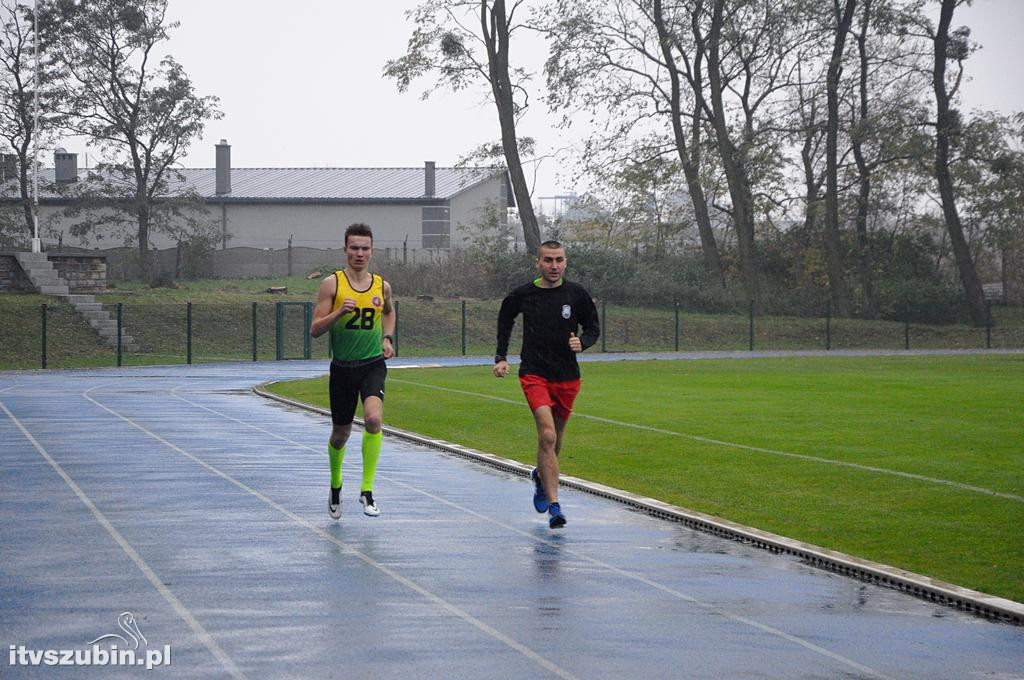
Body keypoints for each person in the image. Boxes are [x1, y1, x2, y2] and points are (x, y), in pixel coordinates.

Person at [494, 240, 600, 528]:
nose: (554, 266)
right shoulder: (523, 294)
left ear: (566, 262)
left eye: (559, 260)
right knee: (548, 435)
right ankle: (555, 506)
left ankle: (541, 477)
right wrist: (501, 356)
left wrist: (584, 342)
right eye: (548, 260)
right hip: (534, 373)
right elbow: (505, 320)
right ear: (537, 263)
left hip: (567, 376)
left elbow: (593, 327)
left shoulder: (577, 294)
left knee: (556, 438)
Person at [310, 223, 395, 519]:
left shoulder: (381, 285)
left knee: (373, 419)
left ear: (372, 251)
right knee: (340, 435)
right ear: (345, 249)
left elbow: (389, 311)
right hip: (343, 369)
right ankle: (335, 485)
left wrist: (387, 338)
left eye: (365, 248)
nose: (359, 253)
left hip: (372, 364)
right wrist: (338, 313)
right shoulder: (332, 284)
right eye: (354, 248)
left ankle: (367, 490)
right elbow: (315, 330)